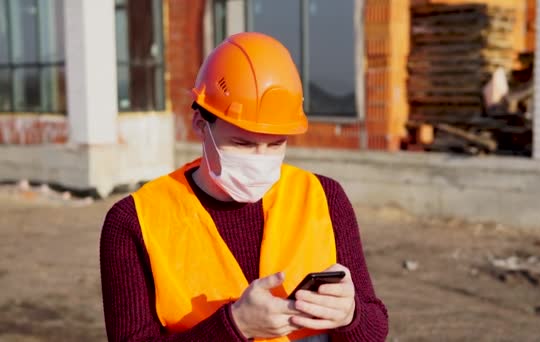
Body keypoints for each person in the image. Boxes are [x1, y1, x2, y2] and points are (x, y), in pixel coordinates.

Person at [100, 32, 388, 341]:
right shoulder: (135, 221)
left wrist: (351, 316)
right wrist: (235, 326)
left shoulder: (323, 198)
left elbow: (374, 328)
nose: (261, 159)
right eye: (242, 143)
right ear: (200, 125)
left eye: (276, 144)